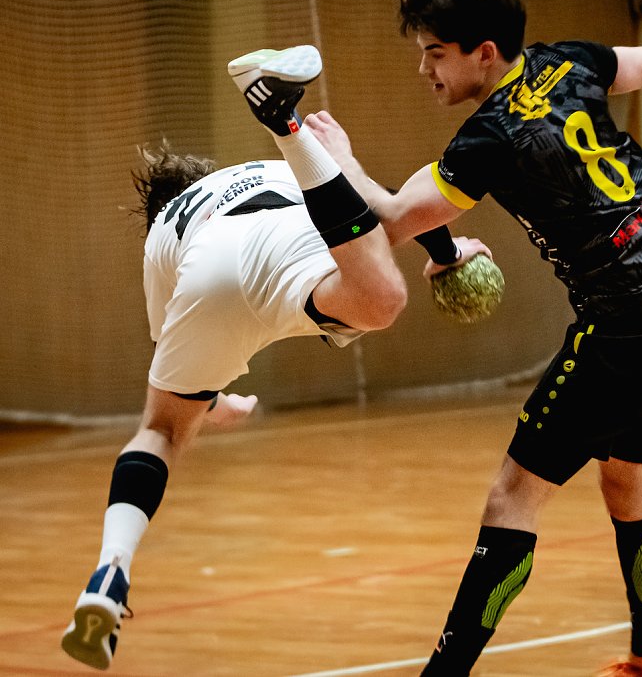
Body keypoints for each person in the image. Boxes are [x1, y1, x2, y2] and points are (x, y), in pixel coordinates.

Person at [299, 0, 642, 676]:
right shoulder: (569, 62)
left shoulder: (488, 137)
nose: (423, 68)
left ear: (483, 52)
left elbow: (391, 220)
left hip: (622, 318)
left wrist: (334, 159)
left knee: (513, 494)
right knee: (629, 481)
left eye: (435, 52)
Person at [60, 45, 487, 670]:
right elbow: (384, 198)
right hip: (293, 239)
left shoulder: (163, 230)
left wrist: (211, 403)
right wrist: (447, 251)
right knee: (379, 286)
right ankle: (285, 124)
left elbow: (176, 368)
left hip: (206, 273)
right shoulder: (258, 172)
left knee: (158, 432)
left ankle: (110, 569)